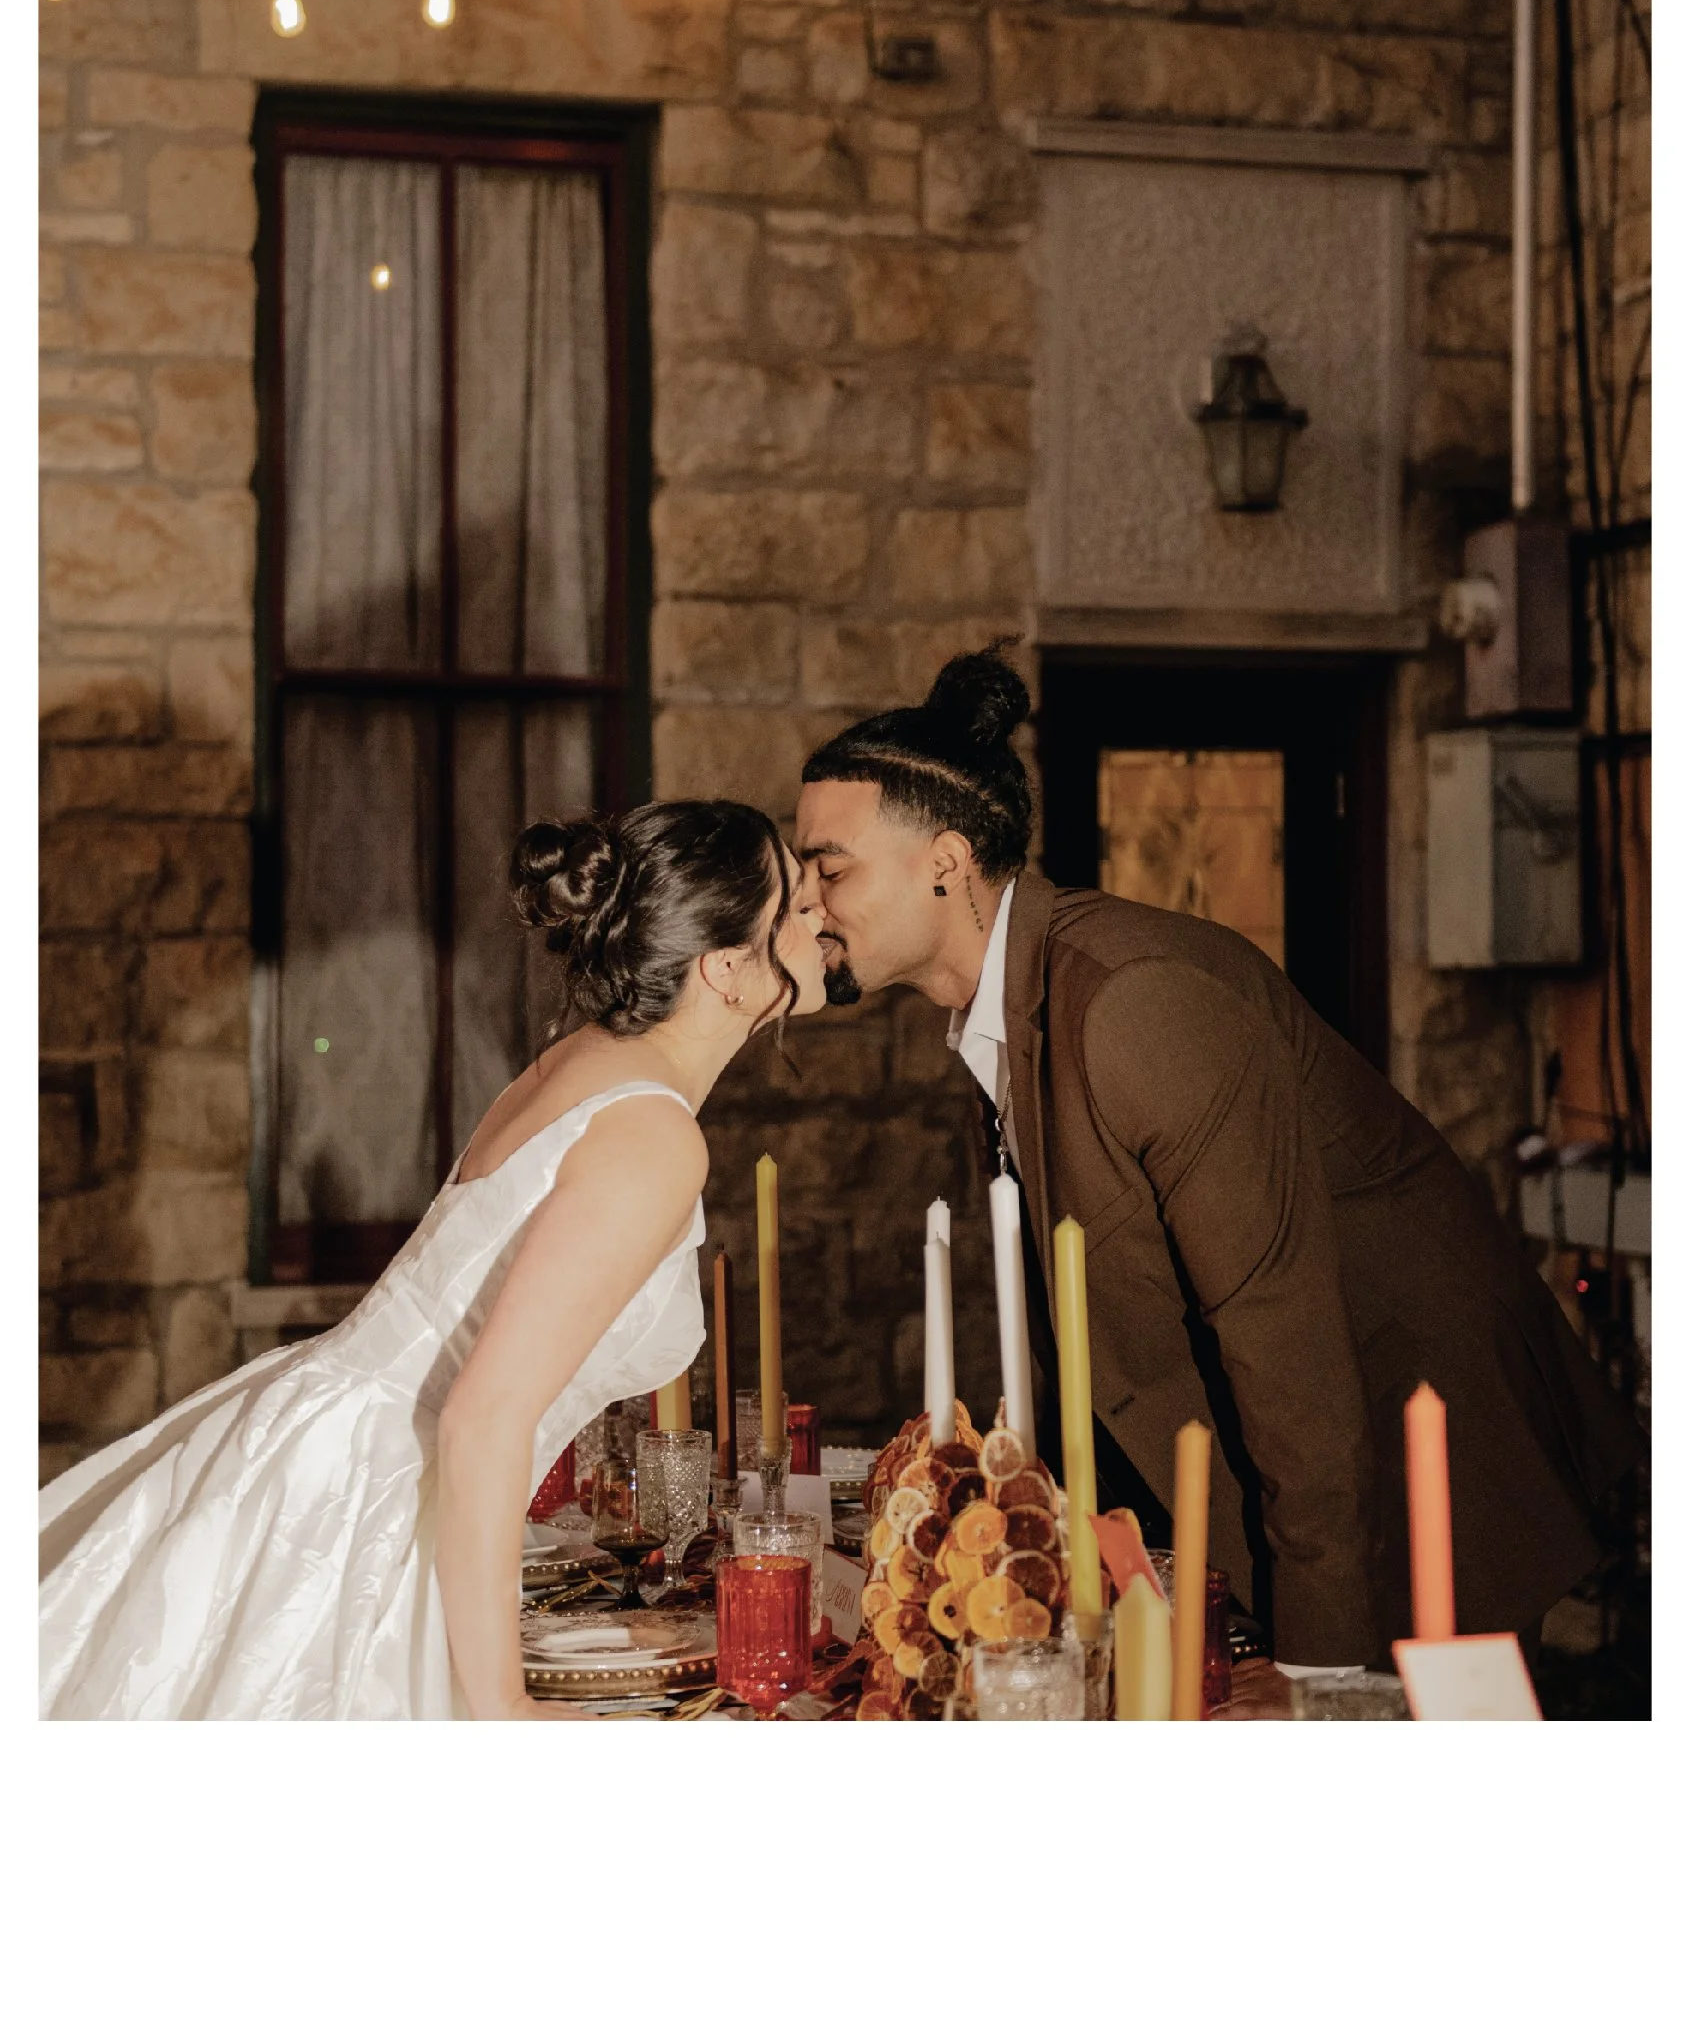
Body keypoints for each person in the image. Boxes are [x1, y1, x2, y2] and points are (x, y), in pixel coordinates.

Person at [794, 648, 1645, 1693]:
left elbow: (1287, 1345)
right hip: (1275, 1487)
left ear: (945, 860)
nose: (809, 906)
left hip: (1409, 1461)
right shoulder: (1015, 1005)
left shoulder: (1134, 1002)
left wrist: (1315, 1673)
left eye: (828, 869)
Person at [40, 801, 827, 1719]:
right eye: (799, 911)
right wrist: (505, 1712)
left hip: (323, 1437)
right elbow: (482, 1420)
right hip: (359, 1502)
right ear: (729, 967)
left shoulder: (585, 1063)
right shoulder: (651, 1134)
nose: (822, 923)